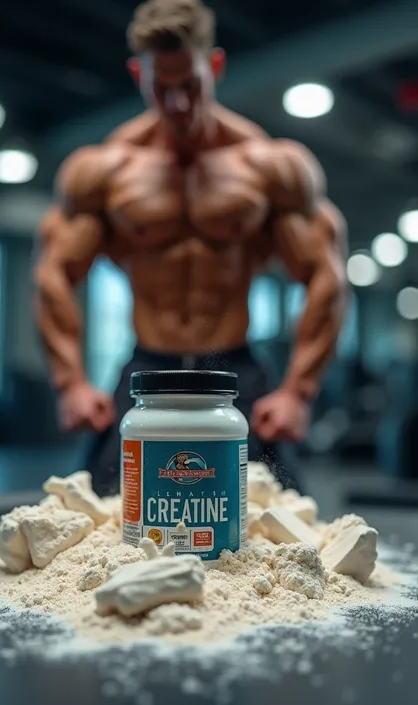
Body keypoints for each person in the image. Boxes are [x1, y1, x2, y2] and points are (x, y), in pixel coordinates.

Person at [33, 0, 348, 497]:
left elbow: (326, 276)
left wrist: (297, 393)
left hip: (235, 368)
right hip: (146, 367)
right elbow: (53, 274)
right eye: (162, 87)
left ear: (215, 66)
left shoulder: (270, 168)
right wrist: (71, 383)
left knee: (285, 521)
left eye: (191, 86)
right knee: (100, 516)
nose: (177, 103)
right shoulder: (103, 172)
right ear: (138, 73)